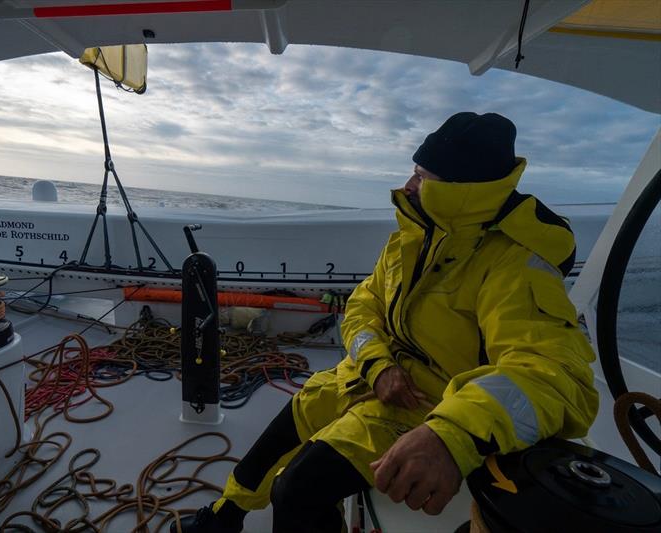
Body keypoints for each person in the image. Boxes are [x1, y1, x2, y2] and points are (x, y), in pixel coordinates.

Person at [173, 112, 599, 533]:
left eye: (422, 176)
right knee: (278, 437)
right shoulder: (411, 239)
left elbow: (555, 375)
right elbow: (363, 306)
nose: (407, 186)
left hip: (431, 409)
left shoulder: (513, 264)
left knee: (297, 489)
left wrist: (454, 435)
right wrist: (378, 366)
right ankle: (228, 514)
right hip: (370, 380)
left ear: (461, 191)